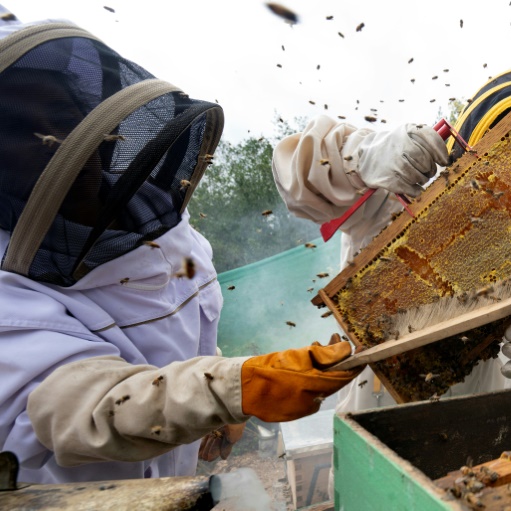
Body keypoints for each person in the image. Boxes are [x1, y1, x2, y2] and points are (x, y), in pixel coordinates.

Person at [0, 13, 359, 484]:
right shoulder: (11, 288)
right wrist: (228, 389)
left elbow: (175, 329)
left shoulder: (168, 229)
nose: (59, 140)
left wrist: (212, 394)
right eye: (27, 129)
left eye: (66, 117)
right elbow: (72, 405)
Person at [272, 67, 511, 412]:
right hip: (378, 422)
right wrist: (361, 156)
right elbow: (294, 176)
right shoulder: (392, 197)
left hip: (473, 425)